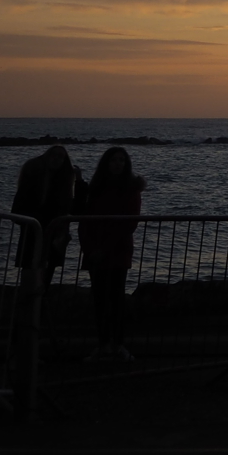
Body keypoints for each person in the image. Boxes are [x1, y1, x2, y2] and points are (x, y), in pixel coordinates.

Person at [77, 147, 144, 362]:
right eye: (114, 160)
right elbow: (84, 220)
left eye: (121, 160)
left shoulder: (131, 189)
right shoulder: (95, 188)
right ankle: (104, 344)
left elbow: (129, 223)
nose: (117, 164)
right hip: (95, 249)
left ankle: (118, 344)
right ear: (106, 163)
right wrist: (89, 248)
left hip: (117, 250)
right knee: (99, 300)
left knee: (116, 299)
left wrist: (102, 249)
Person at [10, 144, 78, 279]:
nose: (57, 160)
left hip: (54, 238)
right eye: (54, 156)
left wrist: (80, 182)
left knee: (46, 276)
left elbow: (77, 209)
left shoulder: (64, 185)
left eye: (61, 157)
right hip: (34, 236)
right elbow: (17, 212)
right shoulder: (32, 182)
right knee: (31, 274)